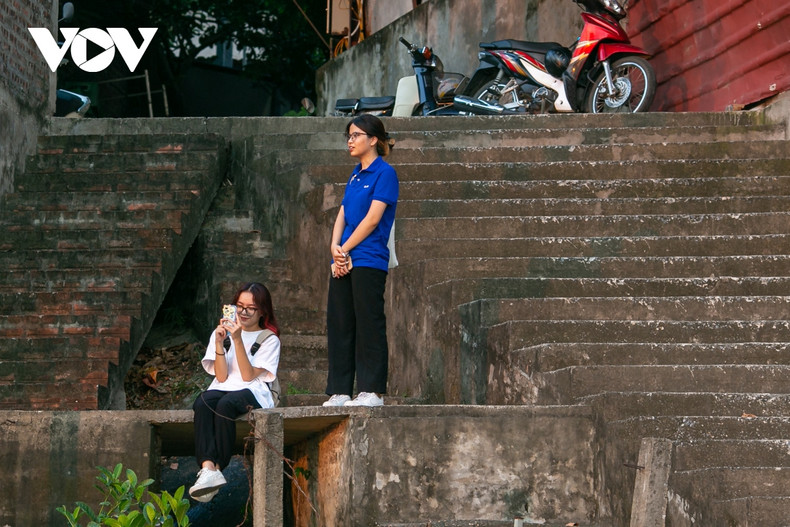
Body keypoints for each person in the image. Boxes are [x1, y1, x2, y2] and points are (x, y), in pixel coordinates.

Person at [323, 114, 399, 408]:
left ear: (373, 140)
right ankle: (340, 390)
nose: (350, 141)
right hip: (344, 257)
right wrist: (335, 247)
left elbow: (372, 219)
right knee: (340, 322)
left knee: (369, 322)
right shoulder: (355, 174)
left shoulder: (385, 173)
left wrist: (344, 249)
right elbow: (343, 214)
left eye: (356, 135)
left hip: (368, 258)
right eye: (349, 136)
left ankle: (371, 391)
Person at [189, 282, 281, 502]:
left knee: (226, 405)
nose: (243, 312)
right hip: (225, 386)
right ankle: (208, 468)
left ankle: (219, 466)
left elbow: (248, 376)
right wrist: (220, 343)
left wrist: (238, 339)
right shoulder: (222, 333)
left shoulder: (269, 339)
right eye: (239, 306)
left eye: (251, 308)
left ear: (262, 311)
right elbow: (221, 377)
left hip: (254, 390)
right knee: (202, 402)